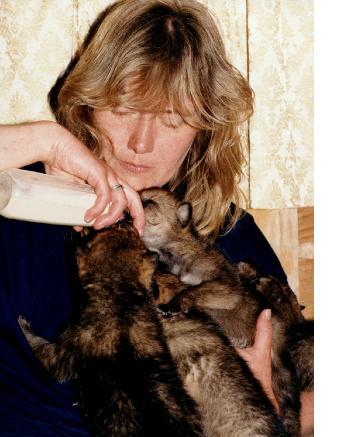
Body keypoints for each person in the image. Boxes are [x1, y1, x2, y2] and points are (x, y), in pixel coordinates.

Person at [0, 0, 313, 435]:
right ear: (88, 104)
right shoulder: (16, 201)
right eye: (124, 109)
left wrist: (269, 401)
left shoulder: (223, 234)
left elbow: (312, 398)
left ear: (203, 129)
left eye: (171, 119)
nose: (140, 144)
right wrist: (42, 140)